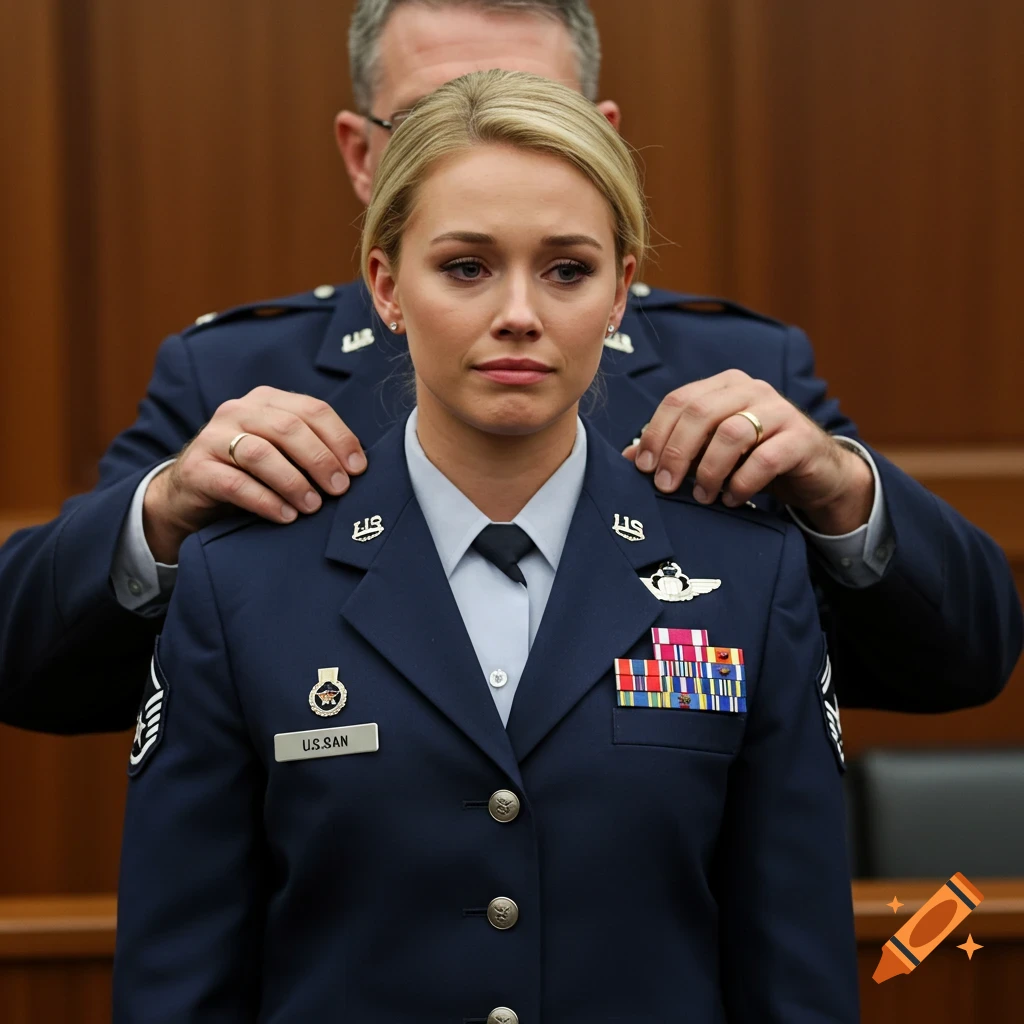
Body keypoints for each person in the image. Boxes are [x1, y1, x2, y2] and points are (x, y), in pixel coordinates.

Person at [0, 0, 1019, 734]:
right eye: (430, 117)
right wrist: (164, 513)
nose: (485, 139)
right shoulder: (232, 374)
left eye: (533, 109)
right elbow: (30, 673)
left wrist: (841, 490)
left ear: (603, 144)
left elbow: (965, 662)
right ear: (361, 156)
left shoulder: (738, 370)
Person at [113, 70, 859, 1023]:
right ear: (387, 287)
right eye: (466, 267)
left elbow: (795, 966)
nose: (519, 312)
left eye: (568, 270)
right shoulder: (244, 579)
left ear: (621, 293)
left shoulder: (746, 572)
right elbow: (179, 978)